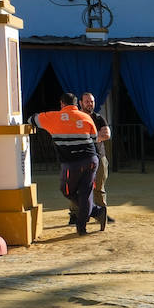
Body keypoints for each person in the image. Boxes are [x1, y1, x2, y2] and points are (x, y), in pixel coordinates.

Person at [30, 92, 107, 235]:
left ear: (61, 104)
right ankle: (83, 226)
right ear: (77, 104)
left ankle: (96, 212)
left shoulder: (52, 117)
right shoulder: (86, 117)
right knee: (85, 193)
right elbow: (94, 138)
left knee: (67, 191)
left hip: (71, 163)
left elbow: (32, 119)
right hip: (91, 160)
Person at [67, 92, 115, 226]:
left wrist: (86, 137)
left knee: (99, 188)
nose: (90, 104)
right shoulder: (75, 118)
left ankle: (101, 213)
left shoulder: (99, 118)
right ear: (80, 103)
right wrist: (94, 136)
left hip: (99, 158)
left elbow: (106, 134)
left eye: (92, 101)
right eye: (87, 101)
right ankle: (75, 215)